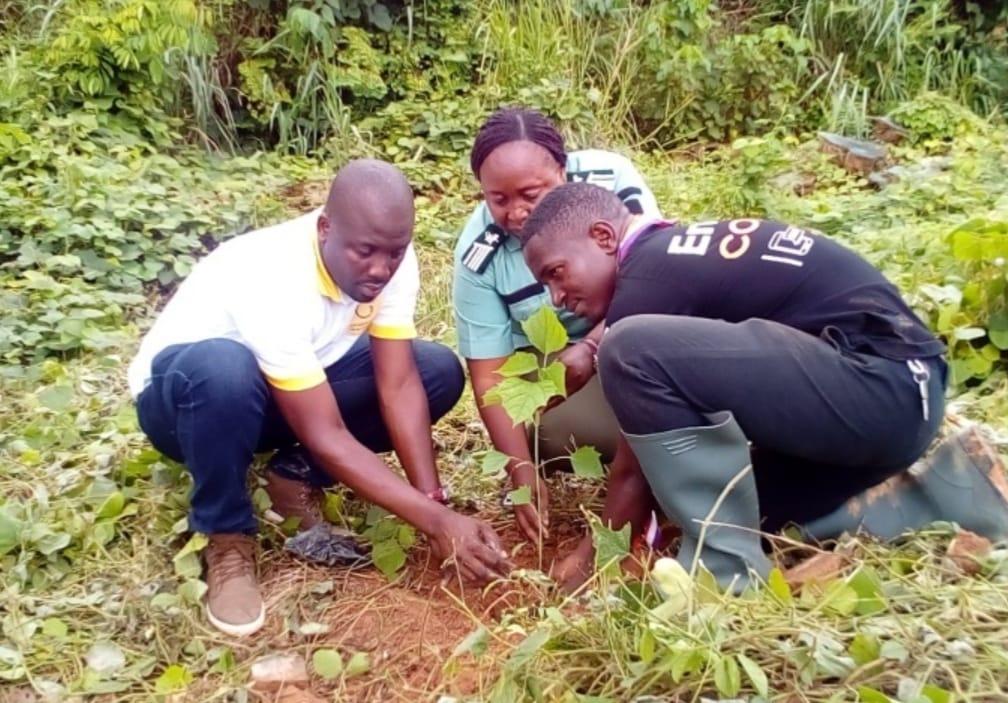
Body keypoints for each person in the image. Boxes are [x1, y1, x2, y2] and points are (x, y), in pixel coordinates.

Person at [519, 182, 1008, 591]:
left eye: (556, 274)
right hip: (896, 403)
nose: (557, 297)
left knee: (629, 348)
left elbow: (633, 471)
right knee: (735, 514)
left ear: (604, 236)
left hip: (881, 384)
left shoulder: (647, 278)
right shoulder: (676, 253)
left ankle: (727, 581)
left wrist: (590, 562)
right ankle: (947, 490)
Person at [128, 159, 510, 637]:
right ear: (325, 228)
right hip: (187, 403)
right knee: (225, 370)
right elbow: (324, 431)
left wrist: (432, 501)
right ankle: (226, 536)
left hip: (282, 389)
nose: (381, 269)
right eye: (365, 252)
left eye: (394, 253)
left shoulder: (391, 260)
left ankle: (291, 477)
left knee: (434, 371)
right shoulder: (269, 275)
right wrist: (436, 522)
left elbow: (398, 384)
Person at [453, 107, 660, 543]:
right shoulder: (479, 254)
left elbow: (652, 275)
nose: (517, 212)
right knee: (555, 433)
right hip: (550, 364)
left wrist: (593, 347)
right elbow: (490, 376)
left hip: (627, 333)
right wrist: (520, 472)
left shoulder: (612, 180)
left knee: (651, 408)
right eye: (499, 199)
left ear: (563, 172)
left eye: (531, 192)